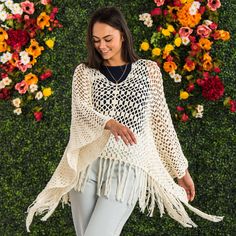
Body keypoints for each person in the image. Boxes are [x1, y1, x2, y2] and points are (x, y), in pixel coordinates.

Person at [26, 6, 224, 236]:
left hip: (127, 166)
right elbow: (81, 109)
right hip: (86, 164)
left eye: (108, 38)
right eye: (96, 40)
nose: (102, 46)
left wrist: (181, 170)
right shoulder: (84, 72)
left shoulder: (148, 71)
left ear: (122, 34)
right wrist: (109, 123)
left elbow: (161, 123)